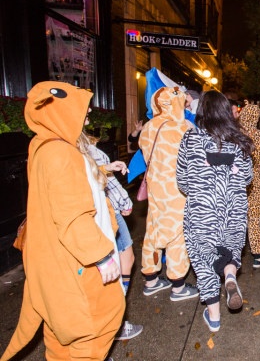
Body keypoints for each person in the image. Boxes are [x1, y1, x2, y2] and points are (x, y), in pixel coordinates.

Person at [1, 81, 125, 361]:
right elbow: (72, 215)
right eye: (82, 111)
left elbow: (65, 186)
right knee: (96, 326)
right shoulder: (61, 154)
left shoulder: (43, 145)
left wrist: (104, 169)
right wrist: (102, 256)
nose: (88, 117)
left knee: (60, 335)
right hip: (77, 263)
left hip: (54, 262)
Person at [176, 90, 254, 332]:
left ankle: (215, 317)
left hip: (203, 211)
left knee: (203, 261)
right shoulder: (240, 141)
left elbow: (182, 181)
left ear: (202, 112)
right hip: (233, 210)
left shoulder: (190, 140)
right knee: (230, 250)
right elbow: (249, 177)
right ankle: (230, 276)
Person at [138, 86, 199, 301]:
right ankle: (178, 286)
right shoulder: (181, 128)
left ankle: (151, 280)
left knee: (153, 230)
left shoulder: (146, 127)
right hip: (176, 190)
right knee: (177, 235)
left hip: (155, 187)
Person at [86, 134, 143, 341]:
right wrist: (124, 202)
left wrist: (107, 168)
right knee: (122, 261)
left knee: (118, 263)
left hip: (96, 212)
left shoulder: (69, 144)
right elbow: (106, 183)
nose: (89, 110)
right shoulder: (83, 146)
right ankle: (115, 321)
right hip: (105, 211)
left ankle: (112, 319)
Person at [239, 102, 260, 268]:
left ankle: (233, 254)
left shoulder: (233, 134)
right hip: (255, 182)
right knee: (254, 219)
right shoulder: (259, 136)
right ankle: (258, 255)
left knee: (237, 218)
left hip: (235, 183)